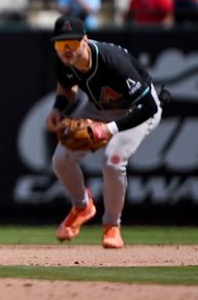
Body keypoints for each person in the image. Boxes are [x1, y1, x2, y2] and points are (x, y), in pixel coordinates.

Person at [45, 15, 164, 249]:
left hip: (137, 110)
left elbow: (148, 106)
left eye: (71, 43)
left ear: (85, 41)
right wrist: (58, 108)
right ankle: (82, 206)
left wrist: (108, 129)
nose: (65, 50)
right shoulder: (63, 61)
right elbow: (66, 86)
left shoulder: (113, 61)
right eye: (60, 44)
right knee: (60, 160)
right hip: (99, 107)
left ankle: (112, 225)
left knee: (113, 161)